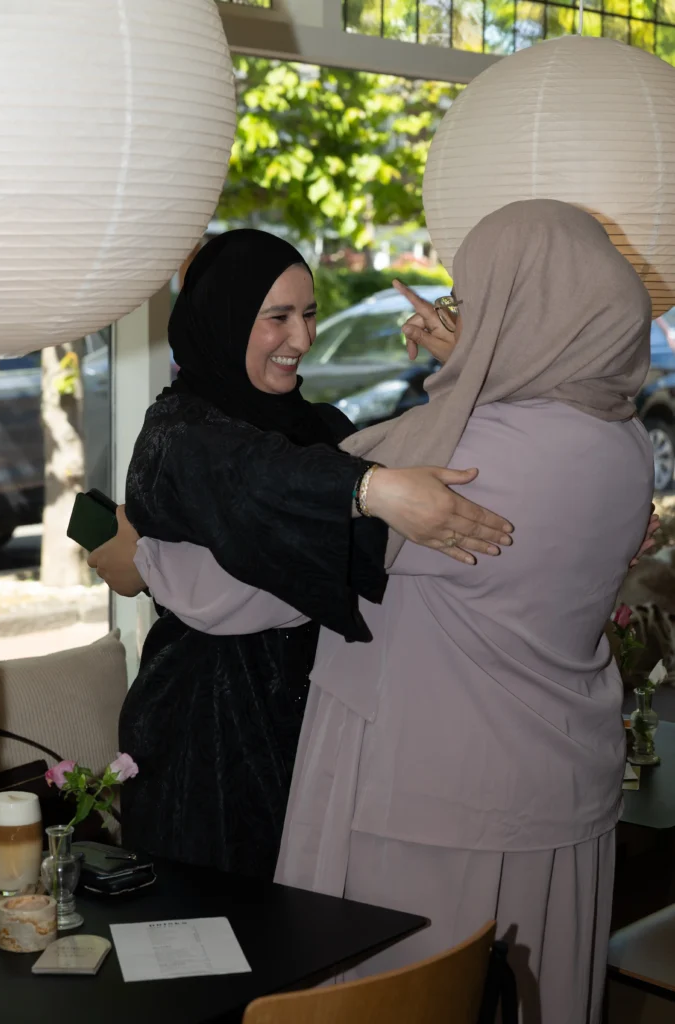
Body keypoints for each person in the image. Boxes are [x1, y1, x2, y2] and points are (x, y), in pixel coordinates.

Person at [97, 199, 657, 1023]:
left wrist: (135, 558)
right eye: (274, 315)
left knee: (408, 988)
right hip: (546, 782)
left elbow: (237, 589)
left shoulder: (440, 454)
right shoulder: (624, 444)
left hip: (433, 796)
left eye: (480, 301)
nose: (298, 337)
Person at [95, 228, 513, 878]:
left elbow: (424, 467)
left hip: (319, 724)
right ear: (225, 319)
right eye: (278, 317)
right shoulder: (178, 436)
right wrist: (365, 489)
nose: (303, 338)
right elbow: (253, 477)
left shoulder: (317, 426)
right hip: (204, 737)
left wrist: (468, 375)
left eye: (310, 313)